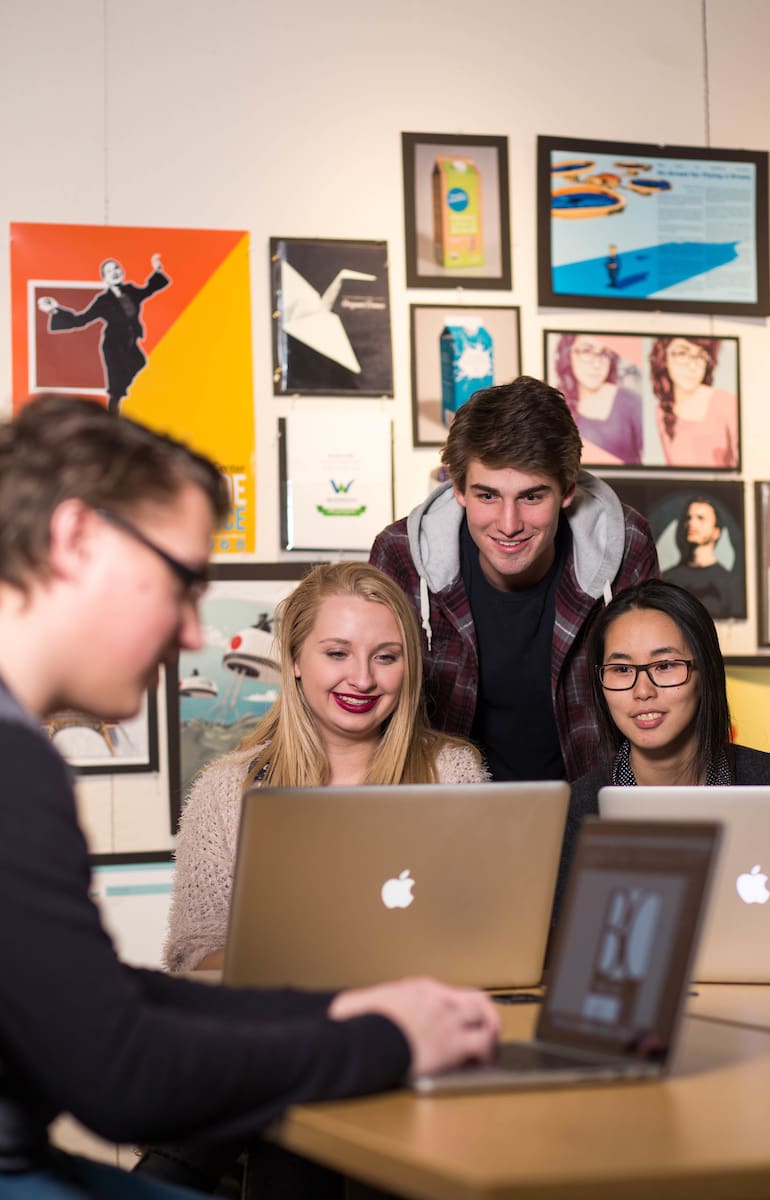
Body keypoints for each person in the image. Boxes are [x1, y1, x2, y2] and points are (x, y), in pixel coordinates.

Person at [0, 395, 499, 1199]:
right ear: (76, 541)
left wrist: (335, 1015)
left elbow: (113, 1000)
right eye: (181, 582)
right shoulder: (14, 767)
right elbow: (120, 1076)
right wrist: (386, 1042)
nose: (195, 634)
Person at [165, 561, 488, 974]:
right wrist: (311, 958)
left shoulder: (452, 774)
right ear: (296, 659)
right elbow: (190, 958)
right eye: (337, 653)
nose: (363, 679)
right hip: (280, 1029)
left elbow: (480, 932)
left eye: (386, 657)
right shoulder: (226, 790)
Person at [369, 376, 659, 783]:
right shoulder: (401, 553)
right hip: (443, 809)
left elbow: (658, 697)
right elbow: (372, 708)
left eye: (531, 497)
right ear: (458, 488)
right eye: (487, 496)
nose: (509, 525)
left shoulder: (626, 543)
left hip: (590, 804)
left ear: (568, 489)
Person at [558, 580, 770, 910]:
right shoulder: (578, 810)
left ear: (705, 673)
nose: (643, 691)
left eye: (665, 666)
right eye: (621, 669)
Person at [37, 253, 170, 414]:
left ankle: (134, 412)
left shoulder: (131, 290)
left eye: (117, 268)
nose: (115, 272)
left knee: (140, 366)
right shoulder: (103, 301)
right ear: (104, 279)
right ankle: (112, 419)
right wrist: (55, 310)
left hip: (130, 343)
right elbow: (81, 319)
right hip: (113, 346)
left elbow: (149, 289)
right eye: (109, 271)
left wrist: (157, 269)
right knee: (117, 388)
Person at [649, 336, 738, 468]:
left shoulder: (727, 402)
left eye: (700, 355)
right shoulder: (661, 412)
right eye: (682, 353)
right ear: (664, 357)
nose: (692, 365)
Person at [554, 333, 642, 465]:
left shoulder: (631, 402)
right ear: (568, 354)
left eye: (605, 353)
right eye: (586, 351)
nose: (596, 364)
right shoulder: (555, 406)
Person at [662, 496, 741, 618]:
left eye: (701, 518)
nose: (691, 523)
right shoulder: (667, 579)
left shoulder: (731, 584)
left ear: (716, 532)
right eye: (688, 518)